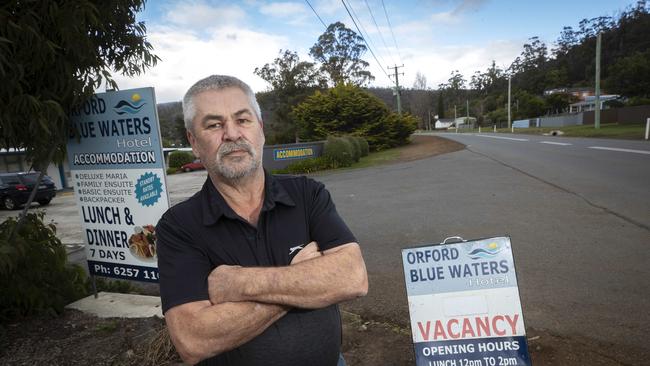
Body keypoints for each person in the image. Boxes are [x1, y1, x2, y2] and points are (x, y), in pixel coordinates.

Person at [156, 75, 368, 366]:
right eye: (214, 124)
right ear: (193, 141)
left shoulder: (307, 195)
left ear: (261, 129)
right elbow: (194, 339)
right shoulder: (178, 227)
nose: (231, 134)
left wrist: (238, 284)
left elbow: (352, 277)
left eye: (242, 120)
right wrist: (303, 279)